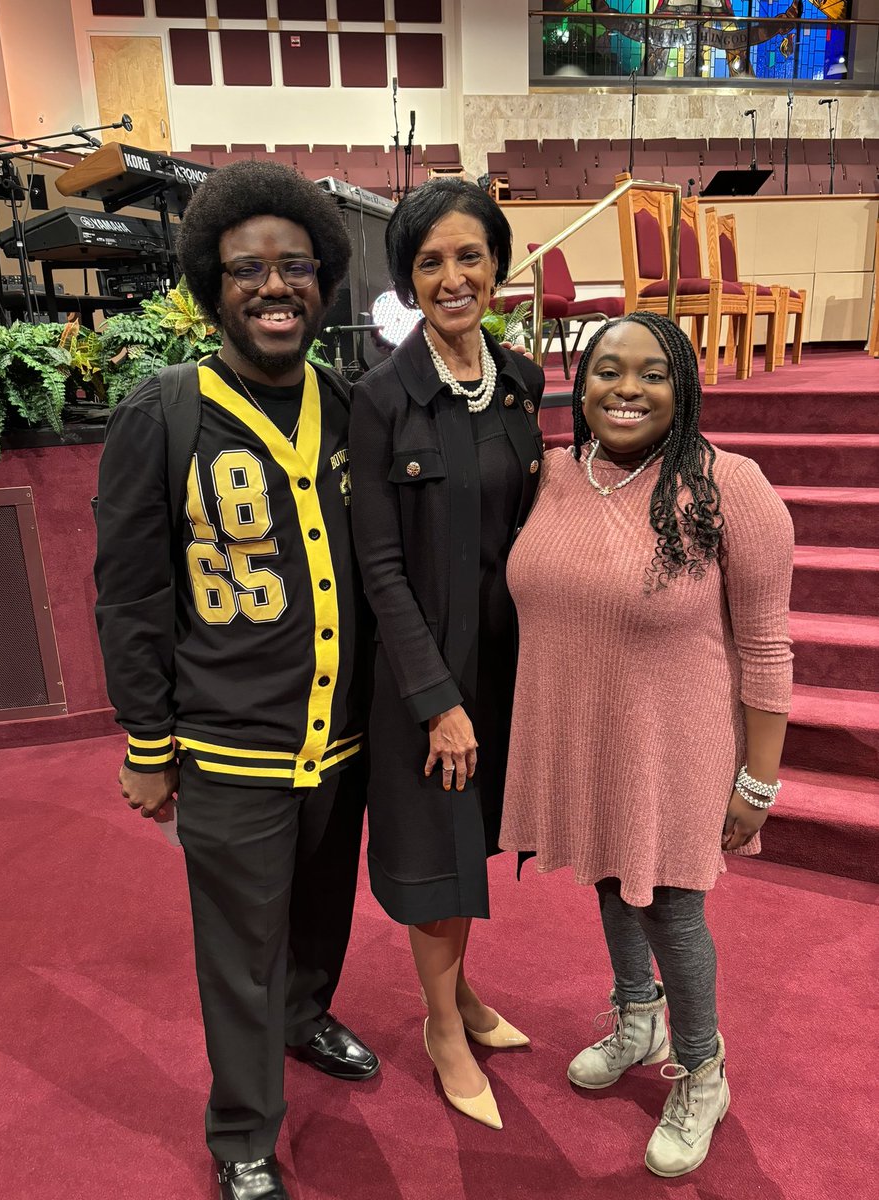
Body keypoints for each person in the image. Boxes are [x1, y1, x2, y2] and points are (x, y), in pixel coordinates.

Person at [94, 161, 379, 1200]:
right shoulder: (162, 412)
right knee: (239, 951)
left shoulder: (349, 407)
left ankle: (308, 1018)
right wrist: (145, 739)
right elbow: (128, 594)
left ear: (325, 280)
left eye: (295, 267)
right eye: (246, 269)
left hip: (339, 741)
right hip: (226, 747)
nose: (274, 287)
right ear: (211, 287)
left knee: (319, 915)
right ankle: (245, 1133)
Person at [500, 312, 794, 1176]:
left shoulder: (726, 484)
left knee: (668, 901)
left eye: (652, 374)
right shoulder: (552, 474)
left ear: (686, 387)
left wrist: (759, 782)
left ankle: (703, 1067)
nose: (625, 389)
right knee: (605, 870)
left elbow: (770, 645)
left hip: (678, 740)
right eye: (606, 371)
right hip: (582, 728)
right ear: (579, 384)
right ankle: (638, 1015)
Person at [348, 177, 545, 1131]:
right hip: (424, 677)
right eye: (430, 262)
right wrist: (437, 698)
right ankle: (440, 1025)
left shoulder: (520, 380)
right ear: (407, 280)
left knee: (472, 847)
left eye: (470, 256)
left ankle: (462, 995)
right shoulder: (382, 398)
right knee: (434, 856)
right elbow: (378, 566)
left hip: (502, 664)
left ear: (499, 266)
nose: (453, 276)